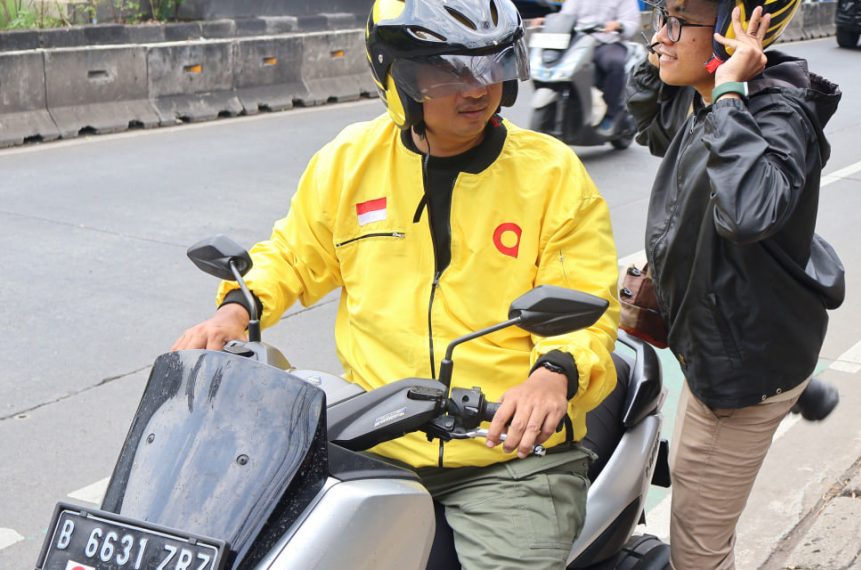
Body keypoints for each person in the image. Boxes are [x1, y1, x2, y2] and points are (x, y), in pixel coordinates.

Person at [171, 0, 620, 567]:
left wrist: (553, 375)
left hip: (505, 453)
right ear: (395, 77)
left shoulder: (551, 174)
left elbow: (587, 299)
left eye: (489, 67)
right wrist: (233, 312)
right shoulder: (349, 161)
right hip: (370, 440)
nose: (476, 88)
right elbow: (291, 254)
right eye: (448, 72)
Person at [626, 0, 844, 567]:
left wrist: (728, 91)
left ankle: (781, 391)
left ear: (731, 28)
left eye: (679, 22)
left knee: (698, 550)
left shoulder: (773, 114)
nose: (662, 36)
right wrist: (664, 56)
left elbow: (749, 212)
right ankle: (797, 386)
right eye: (660, 18)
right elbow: (649, 123)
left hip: (734, 377)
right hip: (730, 321)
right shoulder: (704, 100)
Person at [533, 0, 642, 135]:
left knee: (614, 64)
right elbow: (566, 15)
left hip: (607, 42)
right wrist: (548, 20)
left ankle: (610, 115)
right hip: (579, 41)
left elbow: (631, 23)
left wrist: (618, 25)